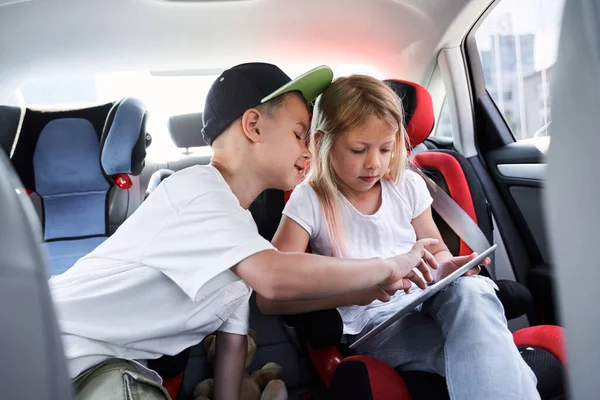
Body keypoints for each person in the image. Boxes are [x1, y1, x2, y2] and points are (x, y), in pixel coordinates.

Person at [49, 63, 439, 400]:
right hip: (46, 346)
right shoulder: (196, 189)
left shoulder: (240, 234)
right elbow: (274, 277)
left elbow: (233, 346)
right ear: (253, 125)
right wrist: (389, 266)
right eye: (299, 132)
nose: (309, 148)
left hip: (99, 368)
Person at [257, 75, 541, 400]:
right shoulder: (310, 199)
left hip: (428, 297)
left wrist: (447, 269)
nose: (374, 163)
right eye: (358, 149)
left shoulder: (407, 185)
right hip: (378, 321)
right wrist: (358, 290)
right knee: (485, 355)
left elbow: (436, 253)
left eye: (386, 149)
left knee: (473, 290)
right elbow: (270, 296)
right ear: (322, 141)